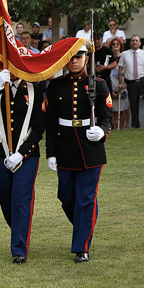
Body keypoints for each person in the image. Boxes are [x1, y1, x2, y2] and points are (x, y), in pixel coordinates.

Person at [45, 41, 112, 263]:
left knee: (85, 200)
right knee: (65, 198)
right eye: (70, 58)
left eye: (79, 57)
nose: (74, 61)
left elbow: (106, 117)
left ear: (86, 59)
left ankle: (81, 247)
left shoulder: (99, 84)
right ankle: (86, 224)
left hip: (90, 149)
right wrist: (50, 153)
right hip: (65, 147)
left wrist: (102, 132)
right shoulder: (55, 85)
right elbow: (51, 122)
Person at [0, 69, 45, 264]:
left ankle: (19, 249)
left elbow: (40, 126)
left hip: (27, 154)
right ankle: (18, 228)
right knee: (4, 197)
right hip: (0, 151)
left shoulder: (34, 90)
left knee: (21, 199)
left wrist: (22, 153)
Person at [117, 35, 144, 128]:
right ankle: (135, 125)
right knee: (133, 105)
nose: (134, 42)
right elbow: (120, 69)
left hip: (142, 80)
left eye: (136, 41)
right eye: (133, 41)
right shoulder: (124, 54)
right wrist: (121, 82)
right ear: (130, 42)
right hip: (131, 82)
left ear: (140, 43)